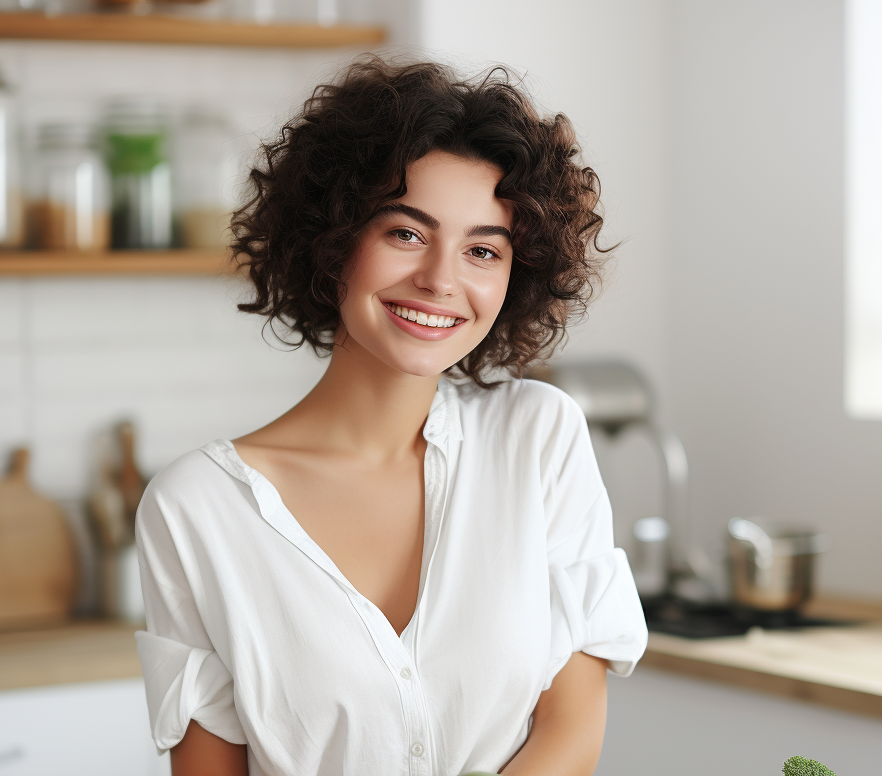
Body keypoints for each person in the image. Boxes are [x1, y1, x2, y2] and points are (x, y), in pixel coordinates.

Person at [134, 55, 648, 776]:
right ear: (334, 238)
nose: (441, 280)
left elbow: (570, 737)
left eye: (481, 250)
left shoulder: (538, 437)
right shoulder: (196, 509)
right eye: (405, 233)